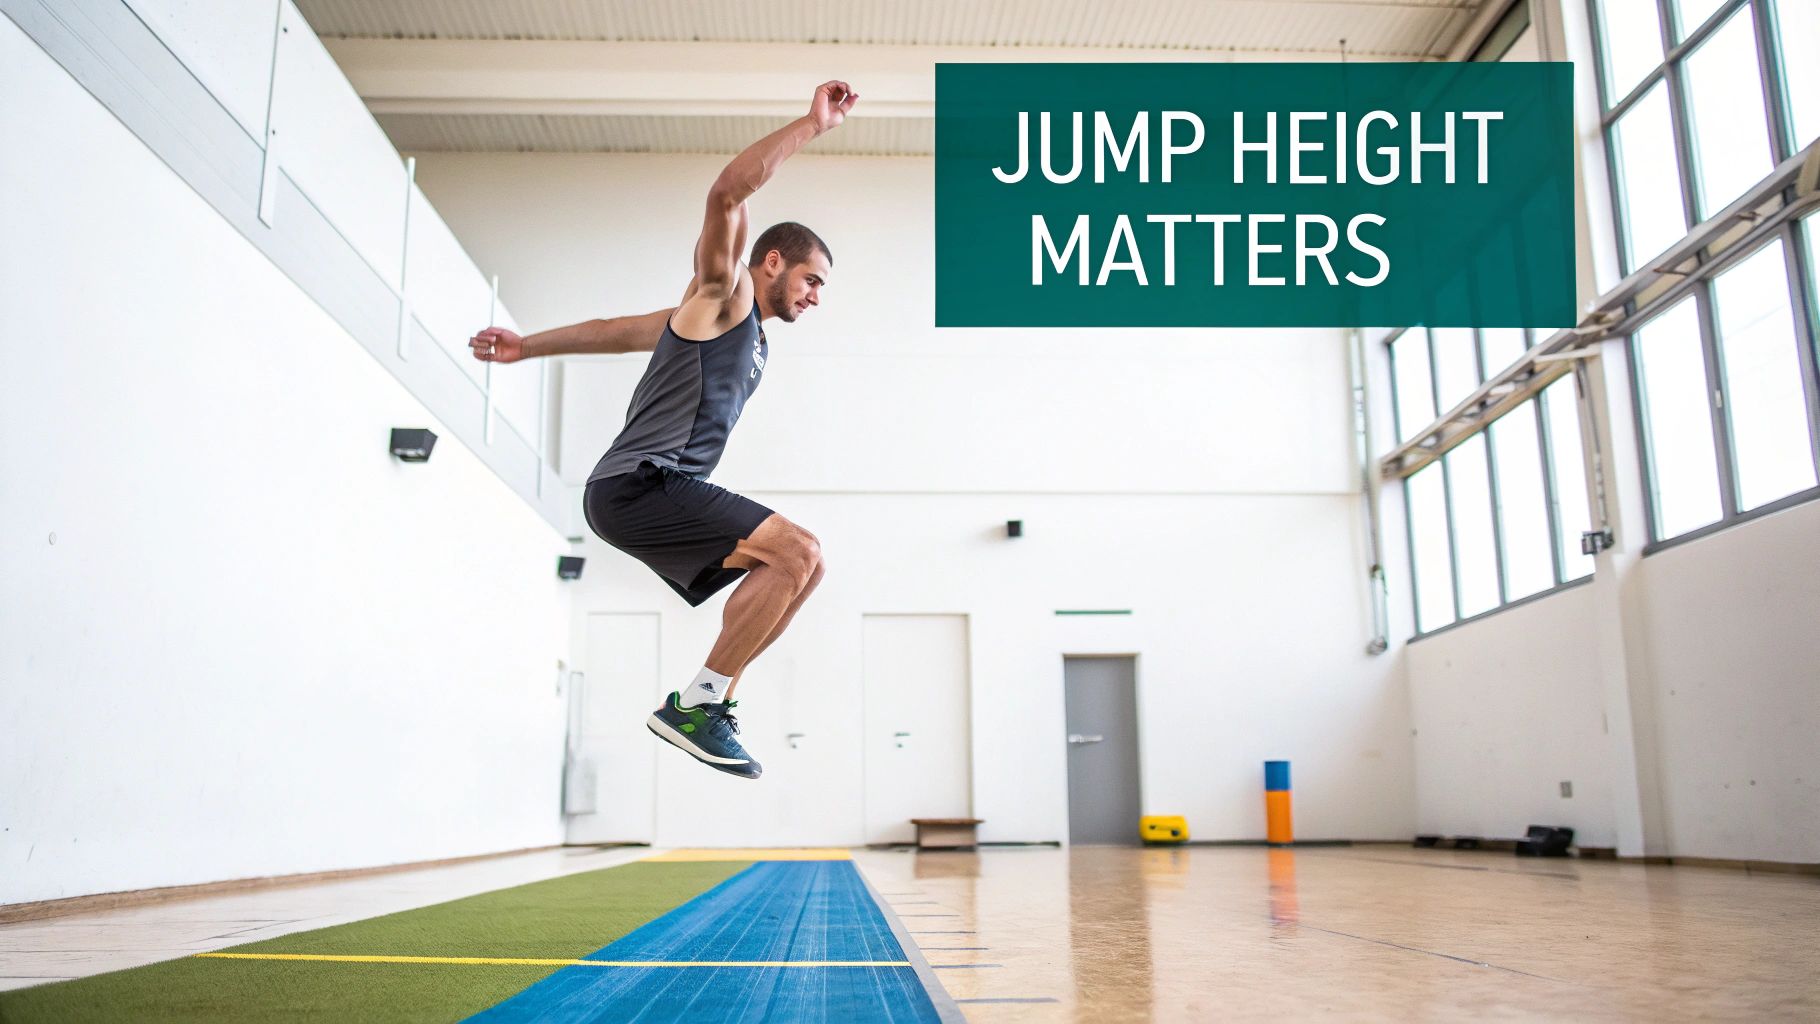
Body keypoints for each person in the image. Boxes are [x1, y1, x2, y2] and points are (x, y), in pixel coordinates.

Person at [468, 82, 858, 781]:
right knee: (798, 549)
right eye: (812, 279)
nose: (816, 296)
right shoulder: (724, 295)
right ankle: (699, 705)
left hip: (651, 493)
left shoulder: (731, 331)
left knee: (803, 567)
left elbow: (617, 331)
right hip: (639, 485)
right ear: (773, 261)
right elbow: (727, 195)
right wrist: (810, 124)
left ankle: (711, 701)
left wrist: (528, 347)